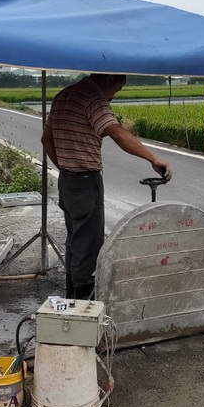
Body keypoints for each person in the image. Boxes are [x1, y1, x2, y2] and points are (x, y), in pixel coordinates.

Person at [41, 73, 172, 299]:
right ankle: (84, 301)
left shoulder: (63, 95)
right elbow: (117, 133)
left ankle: (72, 295)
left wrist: (64, 167)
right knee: (88, 245)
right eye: (117, 90)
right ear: (109, 79)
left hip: (67, 181)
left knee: (74, 240)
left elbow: (46, 139)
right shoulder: (93, 98)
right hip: (85, 181)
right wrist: (153, 158)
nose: (112, 98)